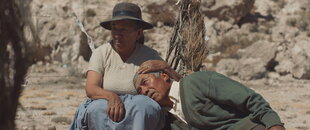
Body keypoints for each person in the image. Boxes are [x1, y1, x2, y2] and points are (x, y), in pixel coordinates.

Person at [70, 3, 178, 130]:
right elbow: (91, 88)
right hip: (106, 104)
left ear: (138, 33)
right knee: (97, 108)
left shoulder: (150, 55)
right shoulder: (102, 53)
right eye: (114, 29)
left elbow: (172, 85)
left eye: (123, 29)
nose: (117, 34)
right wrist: (112, 97)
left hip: (138, 109)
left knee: (145, 106)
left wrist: (167, 68)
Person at [134, 60, 286, 130]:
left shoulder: (198, 81)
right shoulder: (167, 120)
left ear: (164, 76)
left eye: (145, 82)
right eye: (140, 91)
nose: (145, 90)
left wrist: (274, 124)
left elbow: (251, 100)